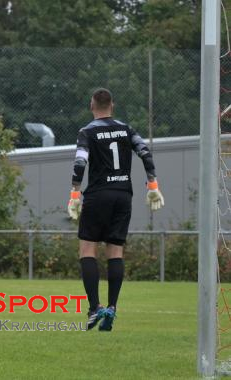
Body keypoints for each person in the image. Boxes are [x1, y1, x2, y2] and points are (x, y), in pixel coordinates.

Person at [67, 88, 164, 331]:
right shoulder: (127, 129)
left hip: (98, 195)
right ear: (113, 105)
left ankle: (94, 308)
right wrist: (152, 184)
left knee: (87, 248)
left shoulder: (87, 131)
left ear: (92, 106)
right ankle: (112, 307)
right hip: (123, 195)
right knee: (116, 251)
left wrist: (74, 194)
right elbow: (145, 152)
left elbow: (80, 162)